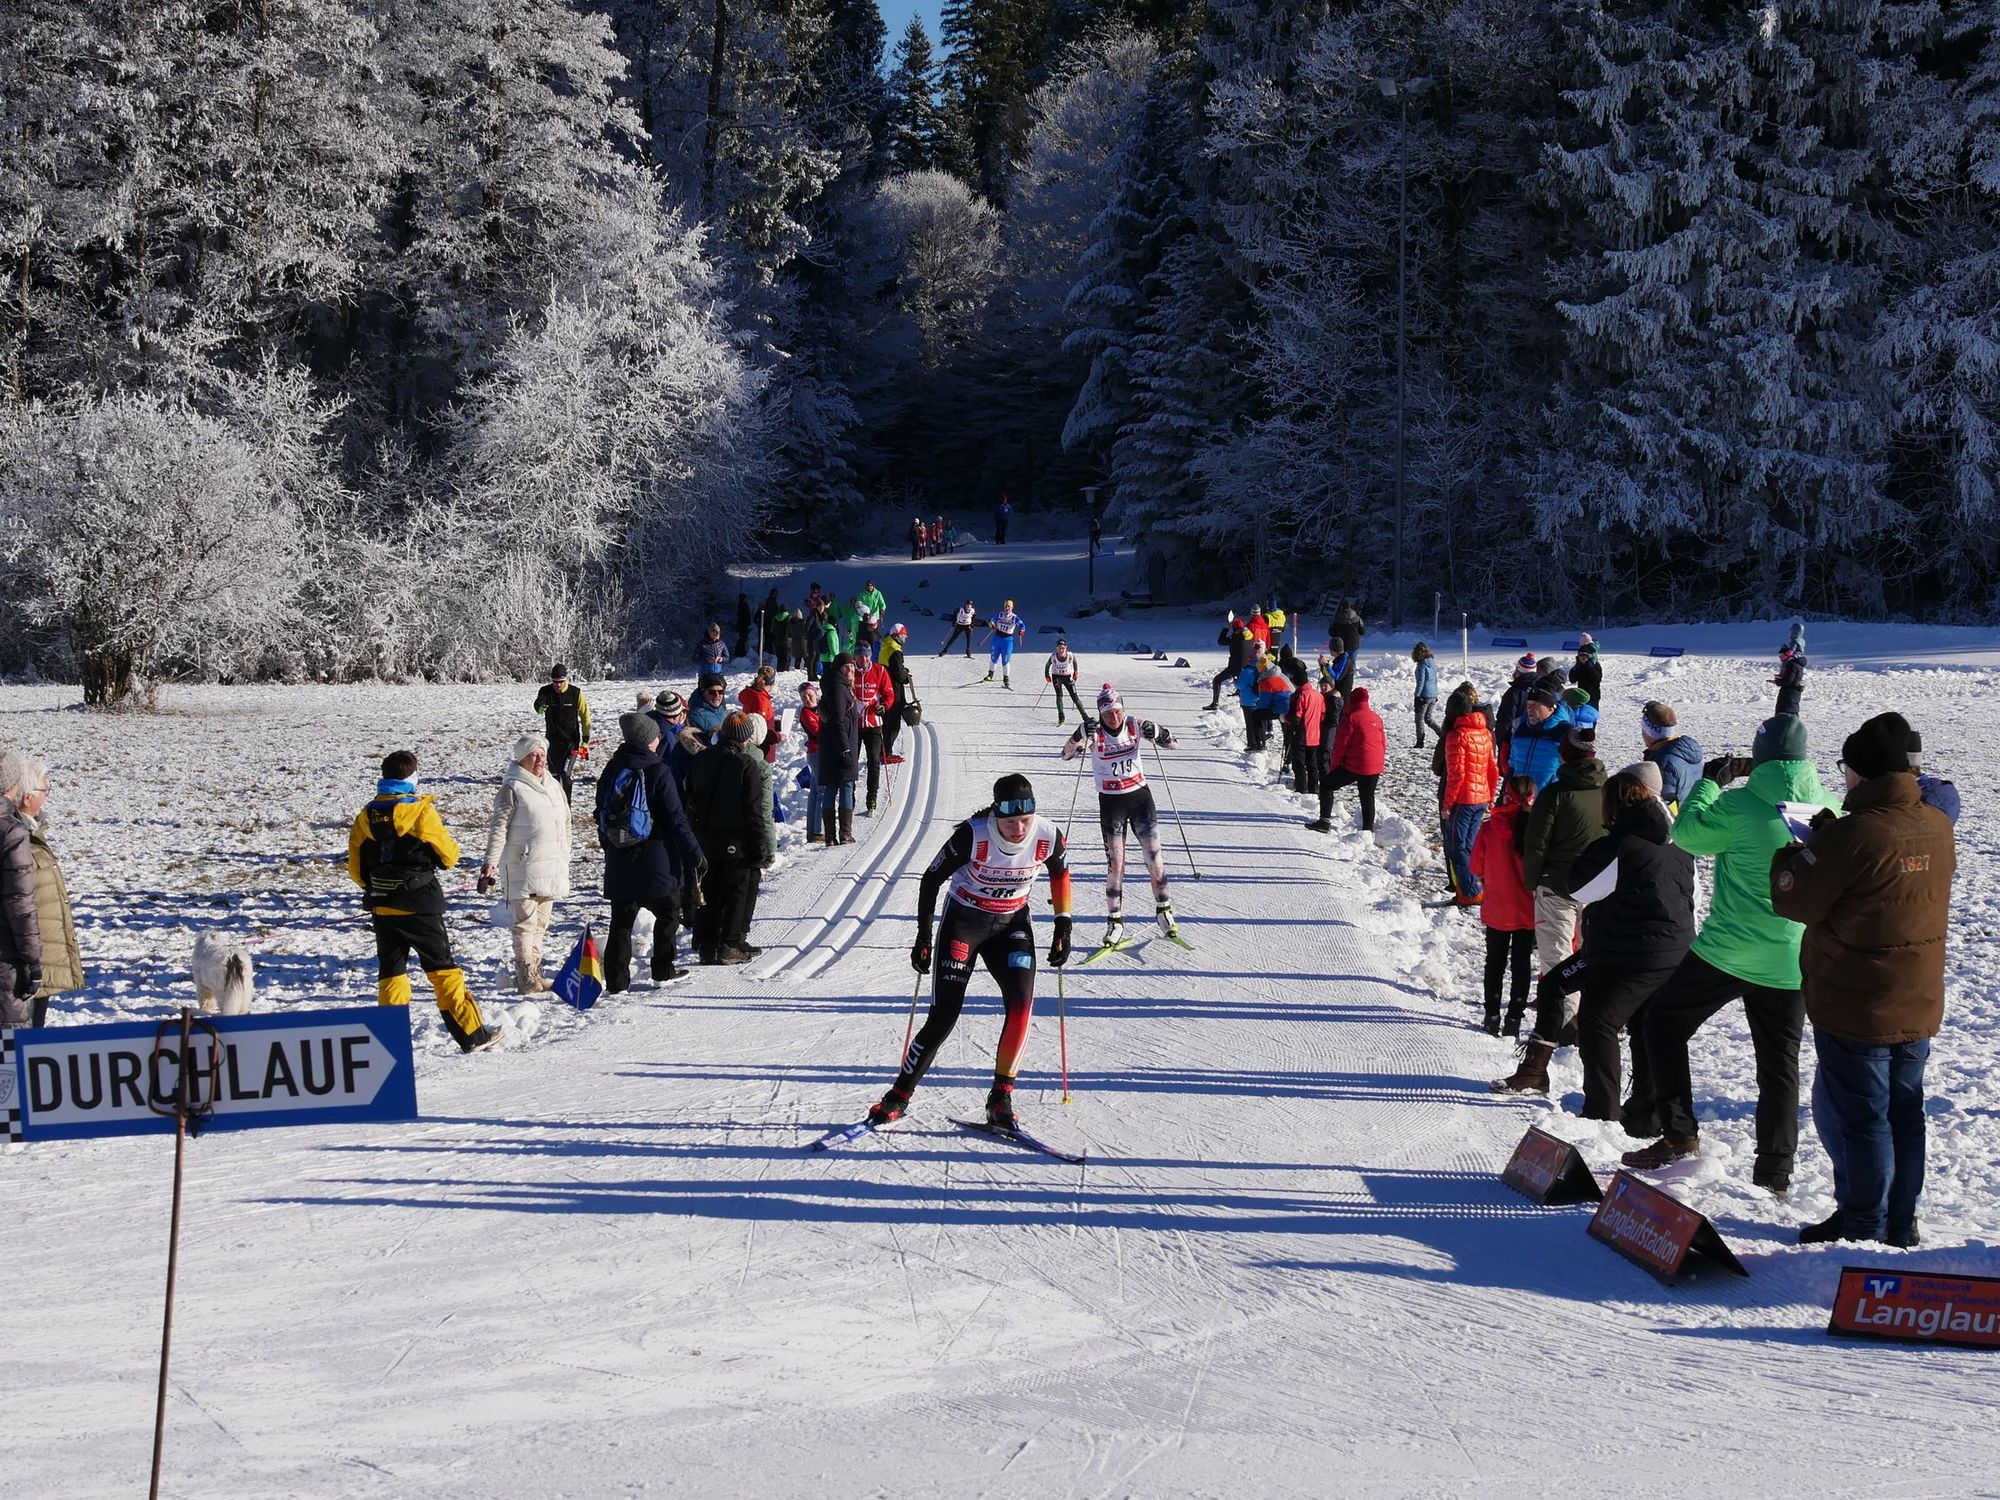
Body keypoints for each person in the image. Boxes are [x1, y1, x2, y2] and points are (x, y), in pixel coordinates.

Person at [1622, 713, 1840, 1194]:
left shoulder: (1739, 805)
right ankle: (1774, 1174)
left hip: (1728, 950)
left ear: (1758, 759)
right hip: (1791, 959)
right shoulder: (1830, 807)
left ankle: (1679, 1136)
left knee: (1663, 1023)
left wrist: (1706, 784)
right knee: (1780, 1067)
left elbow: (1687, 834)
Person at [1772, 712, 1955, 1247]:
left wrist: (1803, 849)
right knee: (1905, 1113)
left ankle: (1864, 1224)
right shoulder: (1937, 824)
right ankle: (1900, 1222)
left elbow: (1793, 898)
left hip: (1855, 1001)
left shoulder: (1854, 834)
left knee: (1861, 1119)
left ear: (1862, 774)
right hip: (1916, 997)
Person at [864, 772, 1073, 1132]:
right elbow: (931, 879)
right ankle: (898, 1096)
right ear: (996, 815)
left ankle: (1000, 1098)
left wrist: (1063, 924)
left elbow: (1060, 872)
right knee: (945, 1014)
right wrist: (924, 934)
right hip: (964, 923)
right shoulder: (973, 835)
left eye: (1025, 820)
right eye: (1010, 822)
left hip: (1011, 926)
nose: (1019, 829)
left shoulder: (1047, 834)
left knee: (1022, 1006)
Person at [1498, 767, 1695, 1112]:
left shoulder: (1622, 844)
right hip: (1672, 951)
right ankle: (1644, 1109)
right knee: (1642, 1021)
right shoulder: (1678, 841)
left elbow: (1581, 887)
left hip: (1627, 952)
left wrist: (1595, 851)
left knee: (1594, 1017)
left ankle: (1601, 1109)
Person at [347, 751, 502, 1052]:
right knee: (443, 969)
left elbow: (356, 870)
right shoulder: (419, 812)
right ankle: (472, 1034)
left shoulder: (365, 816)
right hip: (420, 904)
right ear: (412, 778)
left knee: (391, 973)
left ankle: (388, 1041)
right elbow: (449, 856)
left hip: (382, 905)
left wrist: (378, 885)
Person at [1061, 686, 1178, 948]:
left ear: (1122, 708)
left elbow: (1173, 744)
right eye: (1108, 713)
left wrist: (1158, 733)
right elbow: (1066, 755)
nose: (1114, 717)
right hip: (1112, 803)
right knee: (1116, 865)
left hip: (1140, 799)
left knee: (1154, 858)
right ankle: (1115, 921)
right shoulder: (1094, 732)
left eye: (1117, 711)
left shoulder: (1136, 725)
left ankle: (1164, 910)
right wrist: (1079, 735)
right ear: (1100, 713)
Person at [597, 713, 706, 990]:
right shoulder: (659, 770)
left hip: (620, 857)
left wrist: (609, 846)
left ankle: (617, 980)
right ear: (648, 741)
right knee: (669, 912)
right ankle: (662, 969)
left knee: (621, 921)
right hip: (657, 859)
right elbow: (675, 818)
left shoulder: (612, 769)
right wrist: (695, 853)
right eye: (656, 735)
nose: (659, 739)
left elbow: (600, 812)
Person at [1519, 727, 1609, 1038]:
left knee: (1556, 957)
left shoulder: (1555, 794)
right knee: (1593, 954)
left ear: (1566, 755)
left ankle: (1567, 1023)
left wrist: (1533, 882)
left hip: (1557, 886)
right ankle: (1597, 1018)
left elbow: (1536, 845)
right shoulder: (1609, 791)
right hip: (1599, 888)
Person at [479, 734, 573, 994]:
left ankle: (536, 972)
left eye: (542, 753)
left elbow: (566, 821)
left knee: (541, 925)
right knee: (525, 925)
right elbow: (498, 828)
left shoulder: (553, 784)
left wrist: (565, 852)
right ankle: (526, 977)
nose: (540, 759)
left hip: (551, 865)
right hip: (524, 866)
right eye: (534, 754)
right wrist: (490, 863)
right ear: (521, 758)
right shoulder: (512, 787)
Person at [685, 712, 777, 965]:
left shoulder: (701, 759)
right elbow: (754, 809)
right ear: (746, 738)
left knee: (710, 888)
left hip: (705, 836)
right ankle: (730, 943)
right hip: (736, 838)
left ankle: (706, 943)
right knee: (737, 891)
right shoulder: (745, 764)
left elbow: (690, 798)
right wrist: (761, 844)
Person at [3, 756, 81, 1027]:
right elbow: (20, 903)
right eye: (45, 791)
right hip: (22, 965)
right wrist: (32, 961)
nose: (47, 798)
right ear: (27, 798)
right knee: (23, 1046)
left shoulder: (30, 835)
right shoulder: (17, 837)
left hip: (34, 958)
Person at [1470, 776, 1537, 1036]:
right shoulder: (1536, 829)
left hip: (1497, 908)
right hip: (1527, 909)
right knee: (1522, 964)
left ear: (1505, 795)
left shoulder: (1490, 828)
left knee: (1495, 962)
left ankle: (1492, 1014)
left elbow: (1475, 866)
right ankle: (1514, 1020)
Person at [1441, 688, 1499, 905]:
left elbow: (1456, 775)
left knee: (1456, 847)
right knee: (1470, 845)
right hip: (1481, 796)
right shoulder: (1484, 732)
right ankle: (1471, 891)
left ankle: (1473, 890)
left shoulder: (1457, 736)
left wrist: (1447, 804)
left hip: (1464, 799)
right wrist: (1490, 796)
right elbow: (1492, 769)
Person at [1311, 686, 1385, 832]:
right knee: (1367, 796)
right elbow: (1383, 742)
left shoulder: (1351, 717)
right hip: (1375, 765)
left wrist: (1335, 766)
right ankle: (1367, 831)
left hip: (1356, 765)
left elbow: (1340, 745)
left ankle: (1324, 821)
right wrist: (1380, 764)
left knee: (1326, 784)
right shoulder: (1376, 717)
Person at [817, 654, 862, 845]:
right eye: (846, 667)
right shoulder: (838, 688)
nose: (850, 670)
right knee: (844, 785)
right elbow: (838, 721)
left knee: (833, 786)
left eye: (852, 667)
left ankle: (831, 836)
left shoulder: (837, 686)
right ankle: (843, 834)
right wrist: (845, 749)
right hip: (839, 746)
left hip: (832, 745)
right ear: (838, 669)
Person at [533, 665, 591, 801]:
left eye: (561, 681)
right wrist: (540, 707)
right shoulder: (545, 691)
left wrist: (586, 739)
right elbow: (538, 703)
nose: (558, 684)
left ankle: (567, 807)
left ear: (566, 680)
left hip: (571, 742)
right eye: (555, 681)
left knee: (565, 774)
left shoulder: (576, 693)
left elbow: (585, 715)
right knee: (554, 776)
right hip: (552, 742)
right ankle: (555, 805)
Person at [856, 645, 897, 815]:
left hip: (873, 723)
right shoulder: (850, 670)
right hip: (855, 724)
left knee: (874, 761)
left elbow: (889, 694)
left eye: (866, 656)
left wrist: (884, 706)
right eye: (860, 656)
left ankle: (871, 797)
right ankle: (848, 798)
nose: (864, 659)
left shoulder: (879, 670)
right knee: (851, 762)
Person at [1640, 701, 1703, 811]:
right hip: (1692, 820)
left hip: (1678, 824)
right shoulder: (1685, 751)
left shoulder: (1664, 763)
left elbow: (1663, 808)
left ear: (1649, 730)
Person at [1508, 685, 1573, 792]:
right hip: (1519, 796)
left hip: (1547, 798)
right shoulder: (1522, 729)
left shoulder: (1565, 731)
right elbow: (1513, 764)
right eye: (1528, 705)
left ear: (1550, 708)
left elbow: (1572, 770)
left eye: (1536, 705)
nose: (1530, 709)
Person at [1493, 653, 1539, 773]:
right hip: (1537, 740)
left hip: (1514, 740)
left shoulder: (1514, 692)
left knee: (1512, 776)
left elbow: (1505, 720)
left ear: (1518, 672)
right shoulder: (1542, 688)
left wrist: (1501, 741)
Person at [880, 624, 915, 764]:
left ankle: (882, 750)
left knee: (887, 721)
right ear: (898, 636)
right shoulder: (895, 651)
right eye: (903, 635)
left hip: (885, 685)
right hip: (894, 689)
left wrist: (901, 669)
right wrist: (905, 676)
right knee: (893, 722)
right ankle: (886, 752)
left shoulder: (886, 646)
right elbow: (899, 675)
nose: (905, 638)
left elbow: (891, 666)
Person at [1288, 663, 1325, 794]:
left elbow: (1296, 716)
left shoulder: (1300, 695)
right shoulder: (1318, 695)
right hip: (1315, 734)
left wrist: (1286, 718)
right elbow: (1322, 714)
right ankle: (1314, 789)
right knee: (1312, 765)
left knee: (1298, 764)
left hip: (1301, 734)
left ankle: (1301, 788)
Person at [1208, 614, 1257, 711]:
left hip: (1234, 667)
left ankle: (1215, 703)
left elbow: (1221, 641)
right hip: (1246, 667)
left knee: (1217, 680)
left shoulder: (1235, 638)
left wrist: (1226, 628)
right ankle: (1243, 705)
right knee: (1243, 686)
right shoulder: (1250, 637)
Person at [738, 666, 784, 765]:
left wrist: (773, 723)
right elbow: (758, 731)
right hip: (762, 749)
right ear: (772, 684)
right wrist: (779, 737)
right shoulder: (761, 700)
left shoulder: (751, 694)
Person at [1045, 638, 1087, 725]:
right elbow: (1047, 665)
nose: (1061, 650)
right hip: (1057, 677)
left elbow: (1075, 663)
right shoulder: (1053, 657)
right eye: (1059, 648)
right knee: (1059, 695)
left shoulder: (1070, 655)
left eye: (1063, 648)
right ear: (1056, 648)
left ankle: (1085, 717)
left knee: (1074, 697)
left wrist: (1076, 672)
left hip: (1068, 677)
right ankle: (1061, 717)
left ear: (1066, 648)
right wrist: (1047, 675)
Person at [983, 598, 1022, 687]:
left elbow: (1022, 625)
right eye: (1005, 606)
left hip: (1007, 640)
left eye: (1009, 606)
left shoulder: (1014, 617)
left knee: (1005, 660)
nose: (1007, 608)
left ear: (1012, 607)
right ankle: (990, 675)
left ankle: (1006, 679)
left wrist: (1022, 631)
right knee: (994, 657)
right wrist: (991, 624)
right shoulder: (1000, 614)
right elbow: (991, 620)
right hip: (997, 638)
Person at [1411, 643, 1442, 748]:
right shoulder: (1432, 663)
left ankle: (1420, 741)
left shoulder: (1421, 665)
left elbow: (1421, 682)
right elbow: (1435, 679)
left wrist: (1417, 695)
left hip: (1424, 695)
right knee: (1428, 718)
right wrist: (1435, 693)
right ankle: (1441, 734)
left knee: (1419, 719)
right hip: (1433, 694)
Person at [1333, 599, 1363, 695]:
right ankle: (1350, 681)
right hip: (1354, 644)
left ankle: (1341, 680)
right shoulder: (1357, 618)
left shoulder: (1337, 618)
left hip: (1341, 645)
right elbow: (1363, 631)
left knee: (1341, 663)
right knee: (1351, 663)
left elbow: (1332, 631)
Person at [1772, 643, 1806, 717]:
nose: (1780, 658)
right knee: (1791, 711)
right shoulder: (1794, 663)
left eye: (1781, 655)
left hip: (1790, 693)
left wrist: (1779, 681)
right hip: (1792, 692)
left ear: (1786, 654)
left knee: (1787, 712)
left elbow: (1788, 680)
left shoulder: (1791, 664)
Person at [1572, 635, 1603, 707]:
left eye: (1585, 655)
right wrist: (1577, 668)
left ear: (1588, 656)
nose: (1582, 657)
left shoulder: (1595, 665)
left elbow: (1596, 680)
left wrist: (1590, 667)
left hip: (1593, 697)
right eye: (1580, 655)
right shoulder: (1579, 666)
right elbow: (1572, 679)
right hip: (1581, 696)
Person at [734, 592, 752, 659]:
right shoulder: (743, 605)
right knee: (743, 638)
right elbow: (745, 615)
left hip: (743, 623)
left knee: (743, 638)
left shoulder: (741, 605)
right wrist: (747, 621)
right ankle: (740, 652)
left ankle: (740, 651)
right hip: (743, 624)